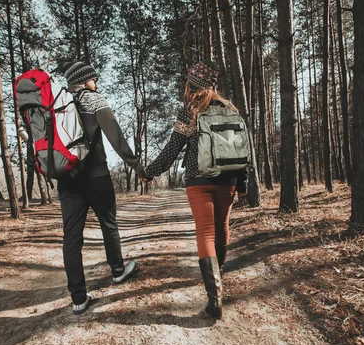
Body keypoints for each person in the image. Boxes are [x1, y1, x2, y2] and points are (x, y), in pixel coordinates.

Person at [141, 61, 247, 320]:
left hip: (199, 180)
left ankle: (215, 298)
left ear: (191, 86)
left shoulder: (191, 112)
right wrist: (242, 183)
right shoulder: (230, 109)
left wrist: (149, 172)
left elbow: (171, 149)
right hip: (229, 179)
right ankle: (218, 276)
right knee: (222, 225)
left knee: (205, 231)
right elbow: (241, 148)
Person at [58, 61, 143, 315]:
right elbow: (114, 135)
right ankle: (117, 271)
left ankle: (78, 299)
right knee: (109, 225)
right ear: (85, 80)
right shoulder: (92, 99)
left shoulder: (57, 103)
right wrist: (137, 166)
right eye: (94, 78)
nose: (97, 82)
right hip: (97, 176)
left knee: (71, 238)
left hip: (67, 180)